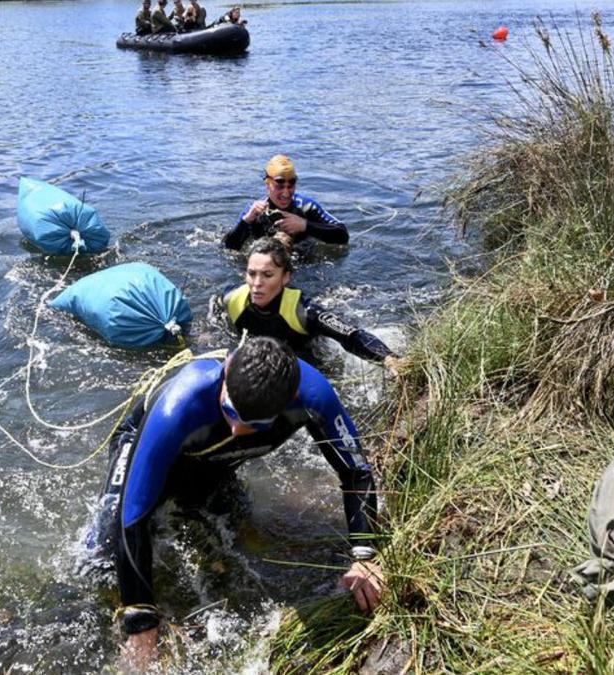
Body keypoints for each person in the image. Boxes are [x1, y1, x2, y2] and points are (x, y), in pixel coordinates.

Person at [87, 337, 383, 667]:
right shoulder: (180, 403)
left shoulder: (314, 396)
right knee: (109, 543)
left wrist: (364, 555)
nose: (237, 429)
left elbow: (356, 470)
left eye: (254, 425)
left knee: (228, 529)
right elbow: (132, 516)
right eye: (231, 411)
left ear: (290, 398)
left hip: (215, 460)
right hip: (153, 440)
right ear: (227, 371)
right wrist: (140, 620)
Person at [214, 237, 401, 376]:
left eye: (267, 275)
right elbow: (215, 307)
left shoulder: (304, 311)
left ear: (286, 277)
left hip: (303, 359)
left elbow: (350, 335)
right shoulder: (233, 298)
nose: (256, 283)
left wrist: (389, 359)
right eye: (251, 273)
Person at [224, 154, 348, 250]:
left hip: (304, 263)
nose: (286, 193)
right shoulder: (255, 211)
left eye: (291, 186)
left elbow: (342, 235)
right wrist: (246, 221)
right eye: (280, 186)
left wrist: (305, 225)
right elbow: (229, 247)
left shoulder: (306, 207)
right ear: (268, 184)